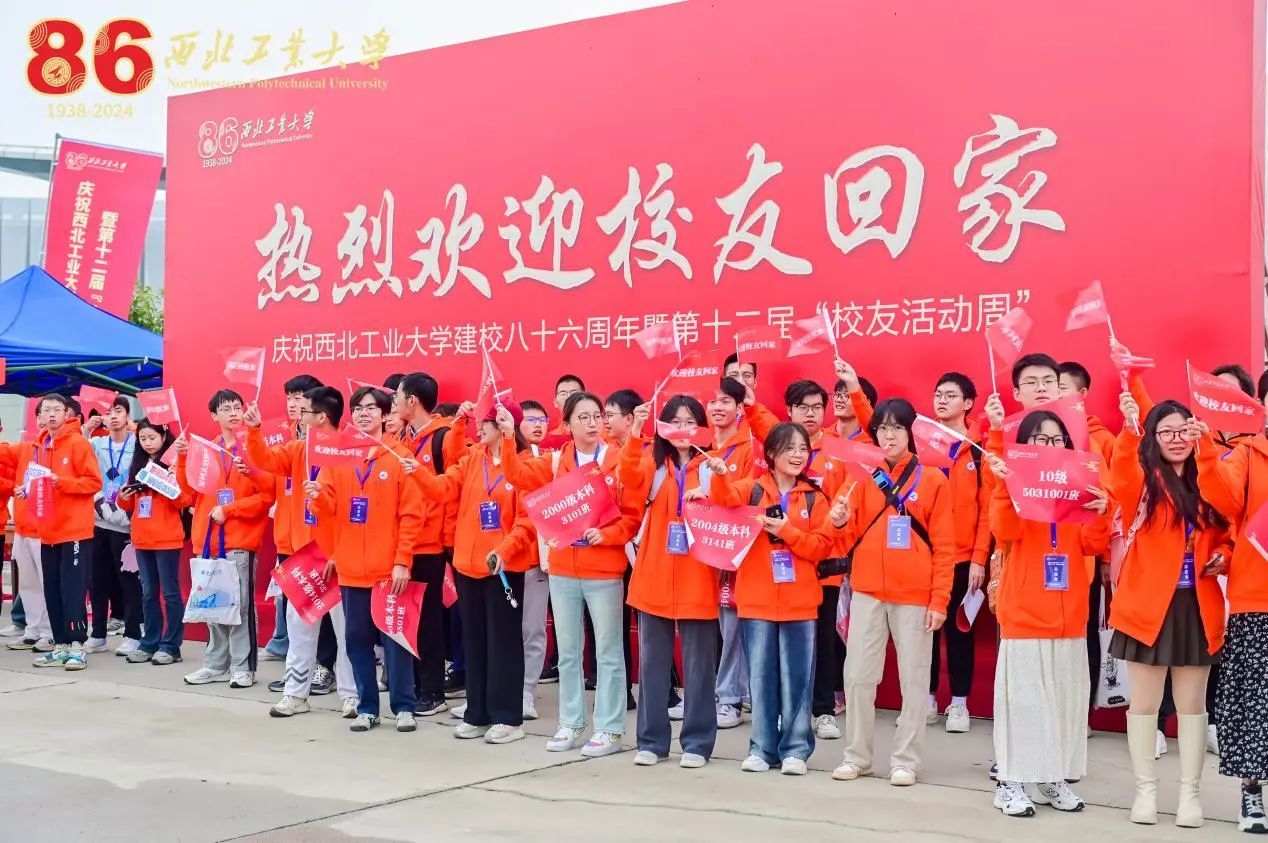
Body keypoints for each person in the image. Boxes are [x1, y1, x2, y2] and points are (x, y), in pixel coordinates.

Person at [500, 390, 643, 757]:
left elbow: (632, 516)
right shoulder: (554, 462)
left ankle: (609, 729)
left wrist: (607, 535)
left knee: (608, 653)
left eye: (597, 416)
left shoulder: (617, 460)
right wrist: (508, 434)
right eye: (584, 417)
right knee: (567, 652)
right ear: (566, 424)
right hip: (563, 569)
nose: (593, 423)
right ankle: (571, 722)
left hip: (604, 571)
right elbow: (515, 474)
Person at [984, 407, 1110, 818]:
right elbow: (1004, 531)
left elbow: (1093, 545)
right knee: (1023, 704)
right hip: (1025, 615)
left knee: (1062, 703)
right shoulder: (1015, 487)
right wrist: (1005, 485)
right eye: (1040, 439)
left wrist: (1101, 511)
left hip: (1069, 616)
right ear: (1025, 445)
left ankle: (1050, 776)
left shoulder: (1076, 487)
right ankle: (1009, 782)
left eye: (1056, 439)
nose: (1049, 446)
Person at [1111, 395, 1228, 828]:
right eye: (1166, 432)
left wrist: (1226, 557)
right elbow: (1119, 478)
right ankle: (1145, 792)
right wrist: (1129, 427)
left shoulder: (1210, 477)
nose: (1176, 439)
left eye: (1183, 431)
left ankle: (1190, 795)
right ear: (1153, 437)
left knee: (1192, 706)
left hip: (1197, 606)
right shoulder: (1143, 479)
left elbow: (1230, 523)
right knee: (1143, 705)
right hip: (1146, 607)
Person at [830, 398, 954, 786]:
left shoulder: (933, 480)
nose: (889, 435)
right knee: (857, 676)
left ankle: (906, 760)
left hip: (915, 595)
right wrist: (838, 521)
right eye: (882, 428)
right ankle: (857, 756)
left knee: (914, 680)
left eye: (897, 427)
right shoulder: (861, 476)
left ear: (910, 433)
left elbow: (945, 547)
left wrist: (939, 600)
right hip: (868, 590)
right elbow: (846, 537)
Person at [706, 422, 835, 774]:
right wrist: (720, 475)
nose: (798, 455)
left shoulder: (814, 496)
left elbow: (822, 547)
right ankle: (762, 748)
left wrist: (788, 532)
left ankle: (795, 749)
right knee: (761, 679)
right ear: (772, 453)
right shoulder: (752, 489)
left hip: (800, 602)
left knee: (797, 680)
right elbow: (723, 500)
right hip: (757, 600)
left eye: (803, 449)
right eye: (790, 448)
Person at [409, 399, 536, 744]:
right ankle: (477, 713)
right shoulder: (472, 459)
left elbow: (526, 522)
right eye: (478, 421)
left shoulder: (524, 465)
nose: (479, 427)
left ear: (505, 425)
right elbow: (441, 489)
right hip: (468, 566)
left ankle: (508, 718)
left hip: (502, 568)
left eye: (486, 421)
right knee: (476, 641)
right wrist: (417, 471)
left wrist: (504, 551)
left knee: (503, 643)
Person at [306, 386, 423, 734]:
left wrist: (402, 561)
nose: (363, 414)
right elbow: (328, 508)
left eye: (371, 408)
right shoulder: (339, 457)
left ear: (385, 415)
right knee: (356, 640)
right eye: (358, 408)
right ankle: (367, 707)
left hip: (389, 570)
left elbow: (411, 515)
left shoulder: (400, 457)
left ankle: (404, 707)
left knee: (395, 641)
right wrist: (317, 496)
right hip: (352, 570)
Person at [744, 368, 849, 740]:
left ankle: (823, 710)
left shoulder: (837, 449)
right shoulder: (783, 446)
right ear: (789, 411)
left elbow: (845, 502)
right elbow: (763, 424)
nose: (811, 413)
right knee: (779, 649)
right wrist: (750, 403)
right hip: (781, 566)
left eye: (817, 407)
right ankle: (778, 717)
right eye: (803, 407)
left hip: (826, 561)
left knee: (821, 642)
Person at [245, 386, 359, 718]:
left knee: (346, 632)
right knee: (299, 630)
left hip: (339, 558)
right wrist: (254, 430)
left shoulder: (350, 453)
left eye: (304, 410)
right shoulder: (298, 450)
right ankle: (295, 694)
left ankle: (351, 696)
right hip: (303, 557)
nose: (298, 414)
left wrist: (343, 550)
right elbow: (265, 460)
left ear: (321, 416)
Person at [622, 396, 720, 768]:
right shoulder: (652, 462)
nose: (683, 429)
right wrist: (635, 430)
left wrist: (716, 487)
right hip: (654, 577)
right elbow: (628, 479)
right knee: (652, 666)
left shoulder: (710, 466)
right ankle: (651, 741)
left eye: (690, 421)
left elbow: (731, 506)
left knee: (699, 668)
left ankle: (697, 743)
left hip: (699, 578)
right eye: (675, 421)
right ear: (663, 427)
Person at [1194, 378, 1268, 834]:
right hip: (1256, 598)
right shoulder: (1248, 454)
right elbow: (1222, 497)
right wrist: (1205, 449)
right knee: (1254, 702)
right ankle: (1252, 793)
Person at [178, 390, 275, 689]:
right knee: (213, 605)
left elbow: (267, 496)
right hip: (207, 540)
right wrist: (182, 458)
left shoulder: (254, 448)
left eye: (237, 407)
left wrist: (230, 510)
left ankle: (242, 667)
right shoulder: (206, 450)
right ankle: (215, 664)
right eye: (226, 409)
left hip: (239, 540)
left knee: (239, 606)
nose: (233, 413)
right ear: (214, 415)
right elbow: (186, 494)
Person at [394, 372, 467, 717]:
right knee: (408, 618)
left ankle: (433, 690)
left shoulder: (444, 437)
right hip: (404, 542)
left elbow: (454, 490)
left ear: (412, 401)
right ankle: (415, 685)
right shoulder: (402, 438)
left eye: (398, 396)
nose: (394, 402)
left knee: (429, 621)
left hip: (432, 545)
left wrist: (448, 539)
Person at [19, 394, 102, 670]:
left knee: (73, 589)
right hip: (48, 530)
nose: (52, 414)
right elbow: (39, 482)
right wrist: (27, 489)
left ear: (67, 414)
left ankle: (78, 646)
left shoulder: (78, 442)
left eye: (57, 409)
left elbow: (94, 482)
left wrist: (61, 481)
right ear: (40, 416)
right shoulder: (40, 445)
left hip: (74, 530)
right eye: (47, 410)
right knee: (52, 590)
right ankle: (61, 645)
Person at [927, 373, 990, 733]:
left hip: (965, 558)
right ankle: (927, 699)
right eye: (938, 394)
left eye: (950, 395)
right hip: (928, 556)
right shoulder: (922, 443)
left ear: (967, 403)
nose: (941, 400)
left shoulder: (979, 449)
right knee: (925, 630)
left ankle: (960, 703)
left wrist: (980, 557)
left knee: (960, 632)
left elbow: (987, 510)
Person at [115, 420, 193, 665]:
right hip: (142, 538)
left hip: (167, 538)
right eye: (143, 439)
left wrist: (168, 486)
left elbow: (186, 500)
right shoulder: (138, 464)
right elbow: (127, 504)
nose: (147, 443)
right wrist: (123, 497)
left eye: (152, 438)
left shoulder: (175, 463)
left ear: (163, 437)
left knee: (170, 593)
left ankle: (171, 646)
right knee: (148, 594)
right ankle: (149, 642)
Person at [264, 373, 324, 662]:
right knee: (287, 596)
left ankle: (320, 662)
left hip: (312, 533)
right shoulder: (282, 435)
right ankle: (287, 649)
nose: (291, 403)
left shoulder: (323, 440)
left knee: (315, 602)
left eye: (298, 398)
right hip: (285, 533)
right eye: (288, 397)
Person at [708, 377, 755, 730]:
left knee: (737, 626)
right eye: (714, 401)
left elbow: (749, 495)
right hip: (706, 549)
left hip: (737, 550)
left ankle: (731, 697)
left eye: (726, 401)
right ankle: (735, 691)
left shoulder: (749, 448)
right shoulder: (703, 447)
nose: (718, 407)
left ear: (740, 408)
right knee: (723, 629)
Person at [85, 396, 141, 657]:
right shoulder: (96, 443)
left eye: (118, 411)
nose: (113, 416)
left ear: (127, 415)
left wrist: (123, 508)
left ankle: (133, 634)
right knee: (97, 580)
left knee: (127, 581)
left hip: (125, 521)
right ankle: (97, 634)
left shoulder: (137, 443)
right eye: (108, 413)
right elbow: (77, 455)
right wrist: (86, 428)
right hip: (98, 520)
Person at [0, 422, 51, 654]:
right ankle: (32, 630)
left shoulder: (65, 448)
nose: (47, 418)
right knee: (28, 584)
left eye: (54, 411)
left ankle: (49, 632)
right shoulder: (26, 448)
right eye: (43, 413)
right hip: (23, 528)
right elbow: (4, 454)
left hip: (47, 529)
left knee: (47, 583)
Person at [517, 398, 554, 709]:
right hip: (506, 560)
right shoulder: (505, 460)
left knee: (533, 629)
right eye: (531, 419)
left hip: (536, 560)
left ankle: (526, 692)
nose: (538, 424)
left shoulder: (553, 462)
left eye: (543, 419)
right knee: (502, 631)